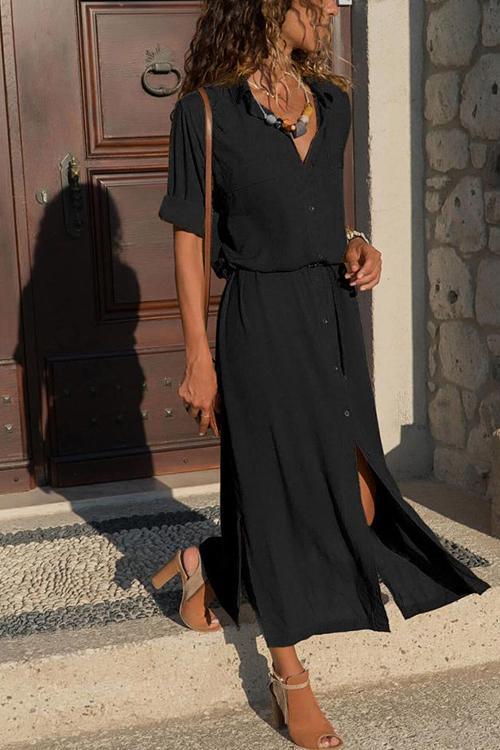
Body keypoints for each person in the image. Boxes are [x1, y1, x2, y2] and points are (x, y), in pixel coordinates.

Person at [152, 2, 491, 748]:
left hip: (331, 317)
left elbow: (320, 214)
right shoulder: (206, 112)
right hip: (259, 319)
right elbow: (189, 240)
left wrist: (359, 243)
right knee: (276, 492)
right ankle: (289, 677)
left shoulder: (331, 104)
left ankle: (208, 564)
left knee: (359, 493)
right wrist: (197, 355)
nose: (334, 6)